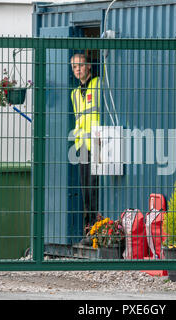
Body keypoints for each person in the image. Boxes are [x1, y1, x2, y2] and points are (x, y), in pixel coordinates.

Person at [70, 53, 101, 235]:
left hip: (98, 143)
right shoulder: (74, 94)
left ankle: (97, 229)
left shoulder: (98, 84)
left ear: (88, 66)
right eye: (74, 67)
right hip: (82, 146)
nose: (77, 70)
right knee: (85, 191)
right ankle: (88, 231)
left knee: (95, 188)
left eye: (80, 65)